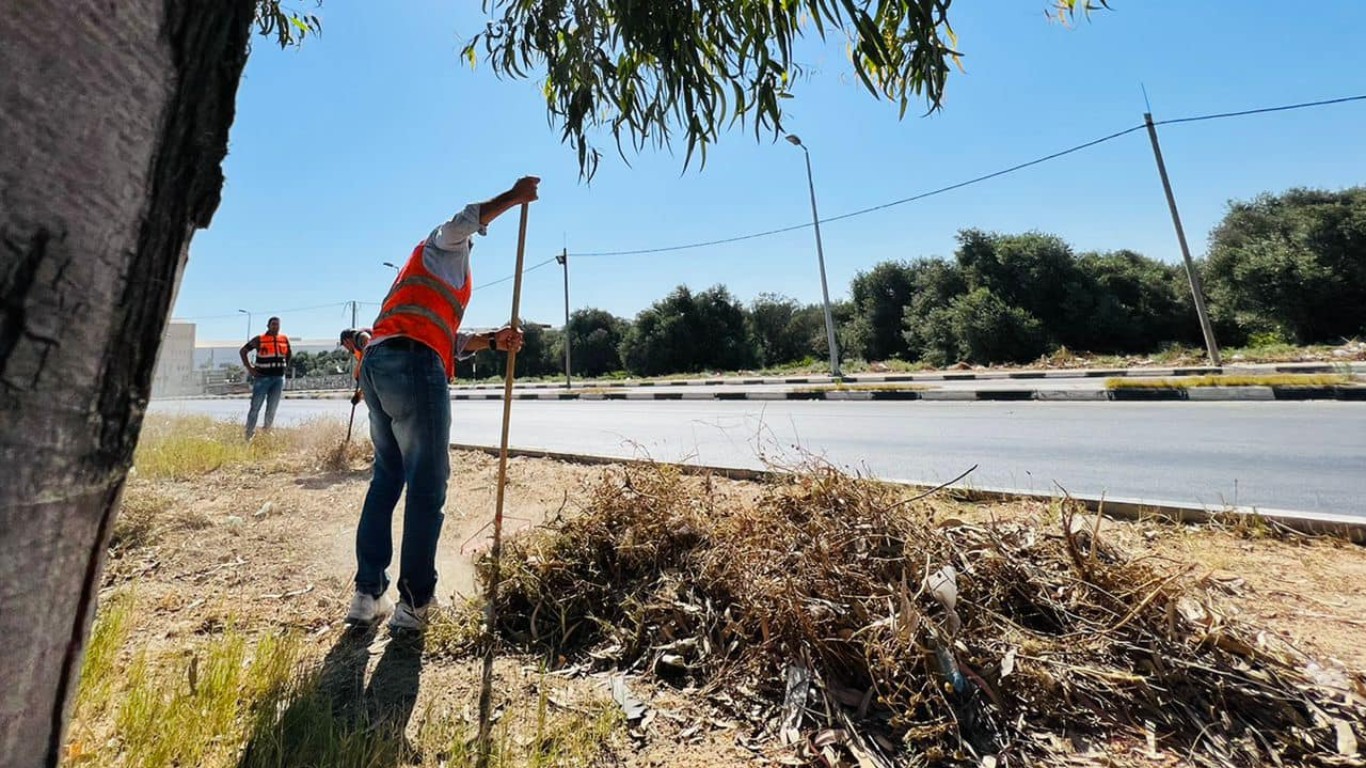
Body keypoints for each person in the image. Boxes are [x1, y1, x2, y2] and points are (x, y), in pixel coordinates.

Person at [347, 176, 538, 633]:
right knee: (427, 485)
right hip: (412, 365)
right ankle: (414, 603)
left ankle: (366, 595)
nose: (472, 242)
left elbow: (445, 335)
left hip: (380, 365)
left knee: (387, 479)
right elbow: (463, 220)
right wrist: (513, 197)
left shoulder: (444, 279)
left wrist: (494, 340)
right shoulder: (441, 245)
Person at [239, 316, 291, 440]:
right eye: (273, 324)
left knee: (272, 408)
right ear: (268, 326)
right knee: (255, 407)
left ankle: (266, 433)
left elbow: (289, 354)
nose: (275, 326)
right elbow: (243, 351)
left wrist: (285, 368)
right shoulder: (259, 339)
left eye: (277, 324)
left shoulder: (284, 339)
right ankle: (249, 434)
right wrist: (250, 369)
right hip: (262, 378)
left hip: (278, 379)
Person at [339, 328, 372, 405]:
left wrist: (359, 369)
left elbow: (367, 340)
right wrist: (359, 395)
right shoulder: (358, 349)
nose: (346, 348)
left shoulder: (359, 337)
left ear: (347, 341)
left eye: (345, 345)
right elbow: (367, 381)